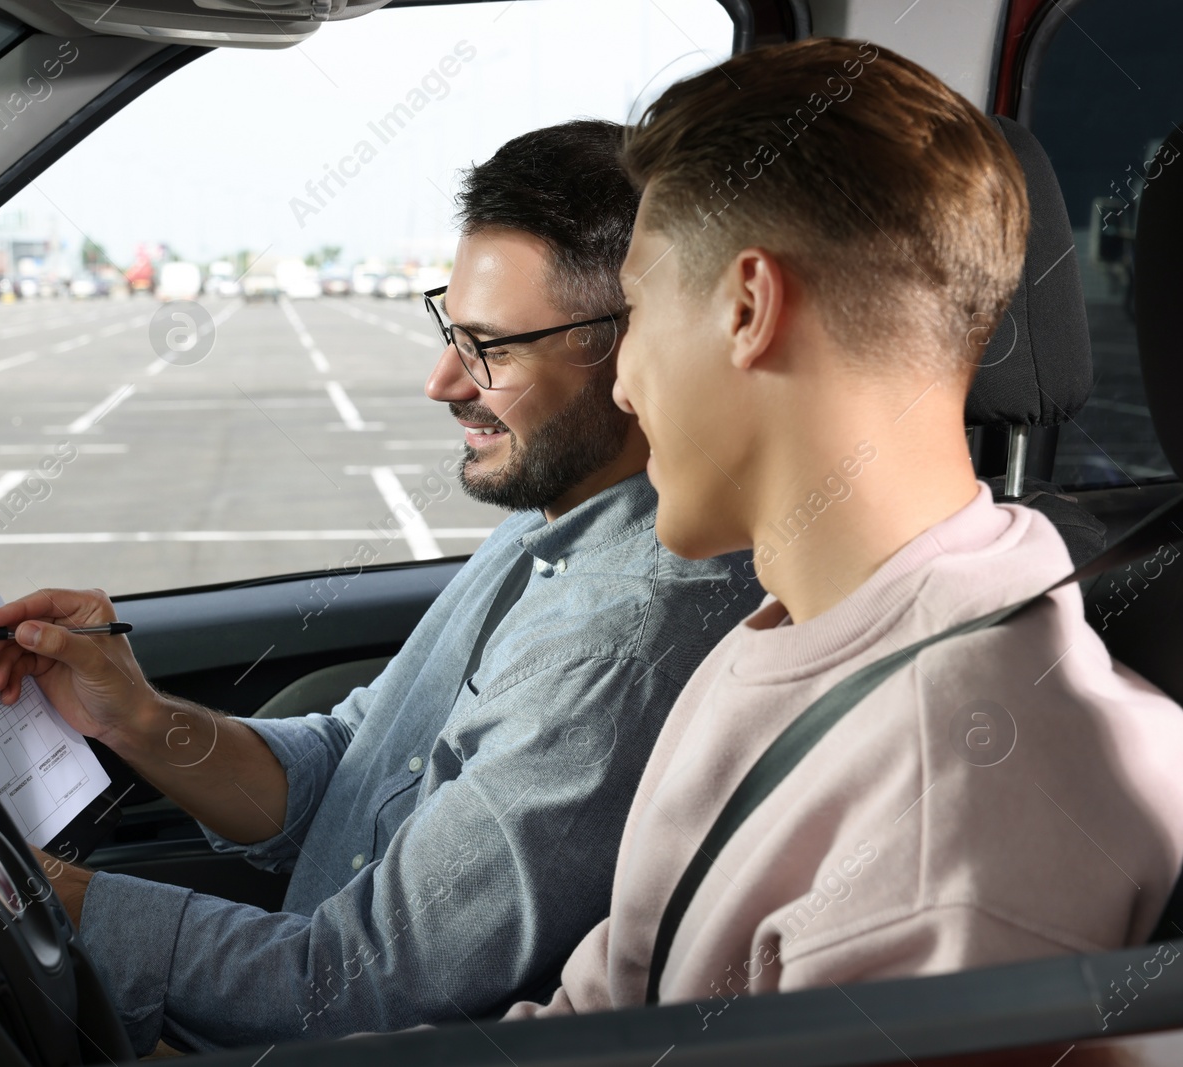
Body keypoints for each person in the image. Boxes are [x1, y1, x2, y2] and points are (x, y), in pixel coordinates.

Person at [0, 120, 763, 1050]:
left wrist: (17, 886)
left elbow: (350, 992)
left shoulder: (617, 642)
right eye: (447, 329)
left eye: (489, 349)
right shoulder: (546, 522)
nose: (439, 383)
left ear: (633, 354)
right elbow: (352, 767)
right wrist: (136, 719)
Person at [504, 39, 1183, 1020]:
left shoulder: (954, 812)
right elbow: (602, 1011)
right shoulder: (804, 628)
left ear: (748, 305)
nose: (619, 380)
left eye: (639, 310)